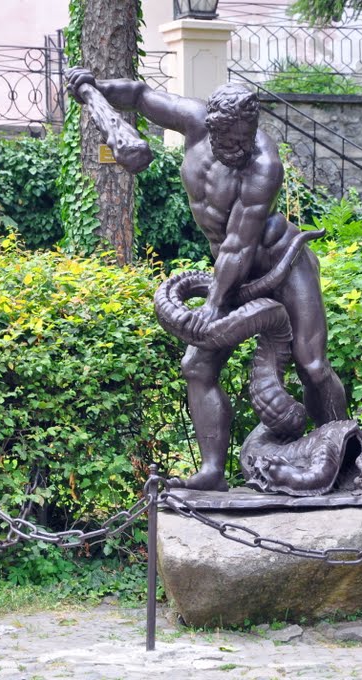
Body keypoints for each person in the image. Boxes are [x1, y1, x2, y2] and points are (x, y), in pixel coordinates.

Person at [66, 68, 347, 491]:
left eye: (247, 136)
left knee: (313, 365)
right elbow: (140, 95)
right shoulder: (193, 120)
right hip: (230, 274)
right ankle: (212, 472)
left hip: (283, 267)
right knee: (197, 366)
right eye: (231, 139)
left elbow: (239, 243)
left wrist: (214, 305)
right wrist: (94, 89)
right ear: (211, 126)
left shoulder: (263, 164)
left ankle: (347, 453)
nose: (240, 146)